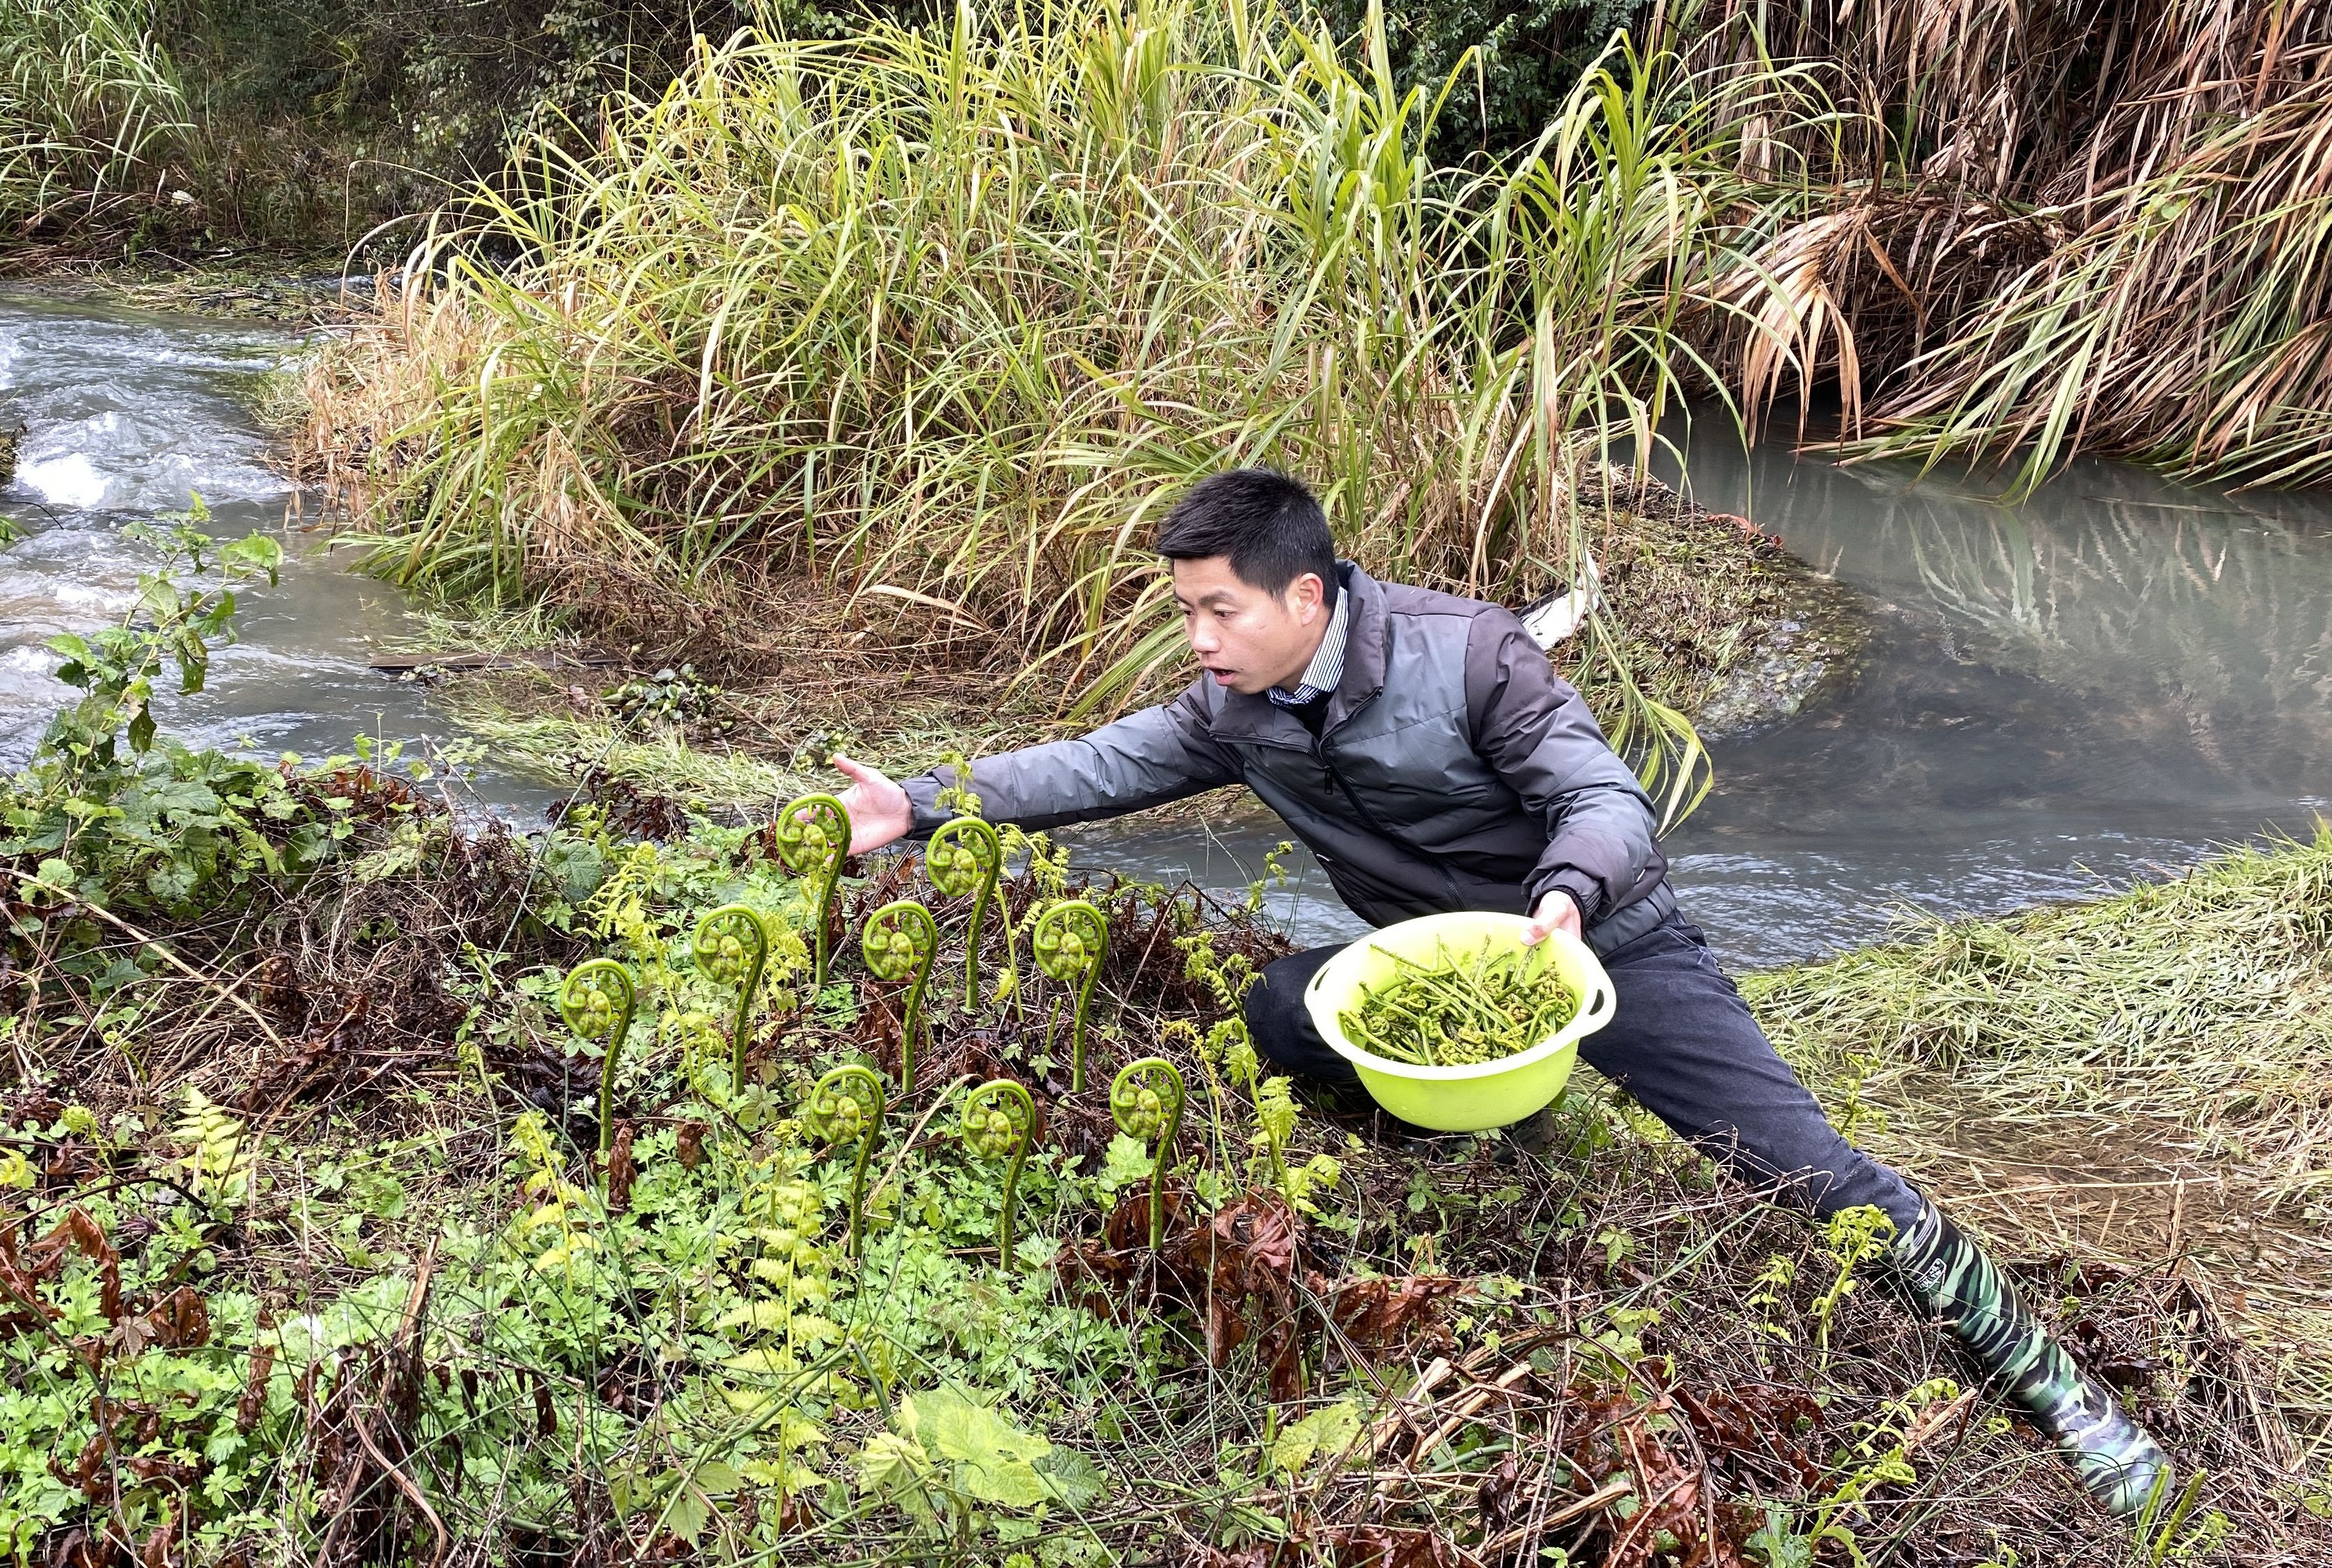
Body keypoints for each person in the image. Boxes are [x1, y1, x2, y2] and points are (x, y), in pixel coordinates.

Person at [830, 467, 2167, 1515]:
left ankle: (2060, 1394)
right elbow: (1095, 767)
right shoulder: (1229, 710)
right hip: (1433, 969)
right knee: (1283, 1015)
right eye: (1185, 611)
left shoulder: (1468, 656)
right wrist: (926, 802)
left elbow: (1604, 796)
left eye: (1216, 608)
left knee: (1811, 1172)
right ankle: (1464, 1132)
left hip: (1596, 941)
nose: (1199, 637)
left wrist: (1568, 897)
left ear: (1304, 598)